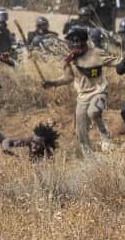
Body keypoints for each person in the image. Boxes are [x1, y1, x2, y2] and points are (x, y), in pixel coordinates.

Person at [41, 27, 115, 155]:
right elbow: (68, 78)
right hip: (82, 96)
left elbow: (115, 62)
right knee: (80, 130)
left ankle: (105, 135)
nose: (76, 44)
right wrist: (52, 83)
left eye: (79, 41)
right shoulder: (70, 59)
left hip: (98, 91)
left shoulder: (96, 53)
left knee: (94, 112)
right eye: (73, 42)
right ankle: (89, 157)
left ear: (85, 41)